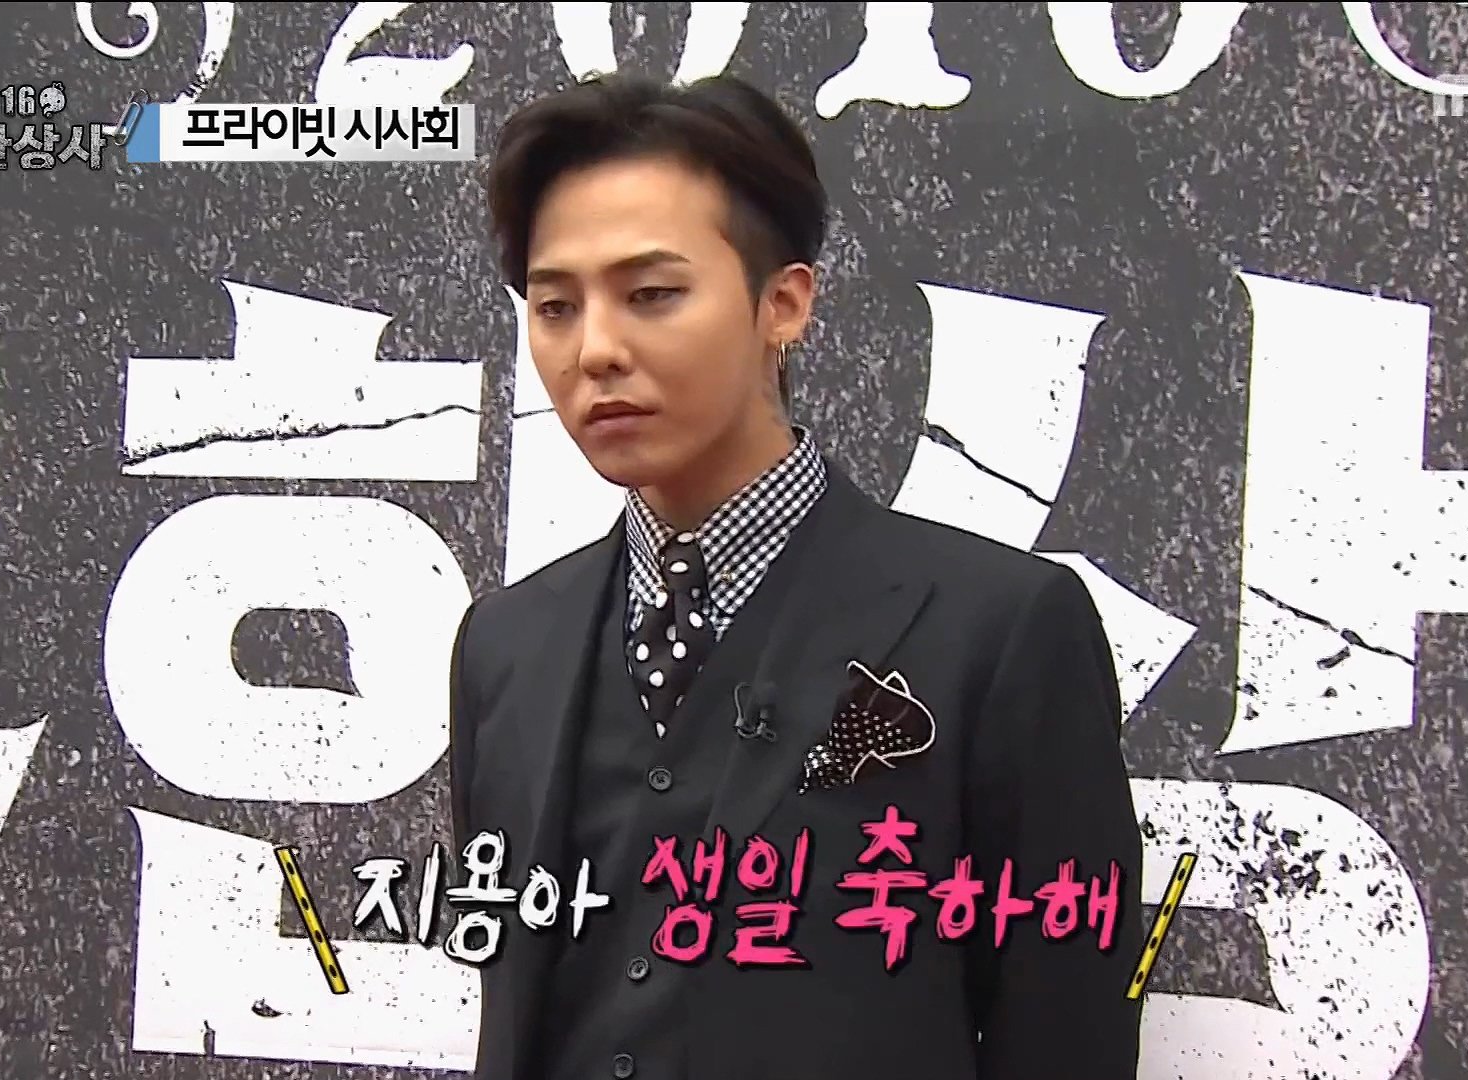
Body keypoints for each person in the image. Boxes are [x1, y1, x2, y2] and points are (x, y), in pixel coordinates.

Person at [448, 70, 1145, 1080]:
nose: (595, 350)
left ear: (784, 303)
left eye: (652, 295)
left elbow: (1065, 1037)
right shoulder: (505, 645)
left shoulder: (1001, 632)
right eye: (556, 306)